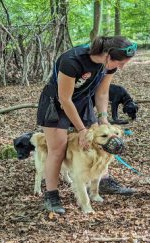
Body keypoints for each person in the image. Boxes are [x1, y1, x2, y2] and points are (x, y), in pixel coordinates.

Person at [37, 36, 137, 214]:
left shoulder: (108, 65)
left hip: (83, 102)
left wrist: (103, 117)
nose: (122, 67)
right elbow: (65, 99)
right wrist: (82, 130)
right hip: (56, 103)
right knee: (57, 148)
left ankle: (102, 181)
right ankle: (51, 195)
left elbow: (102, 92)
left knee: (100, 142)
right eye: (121, 63)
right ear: (107, 55)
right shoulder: (72, 61)